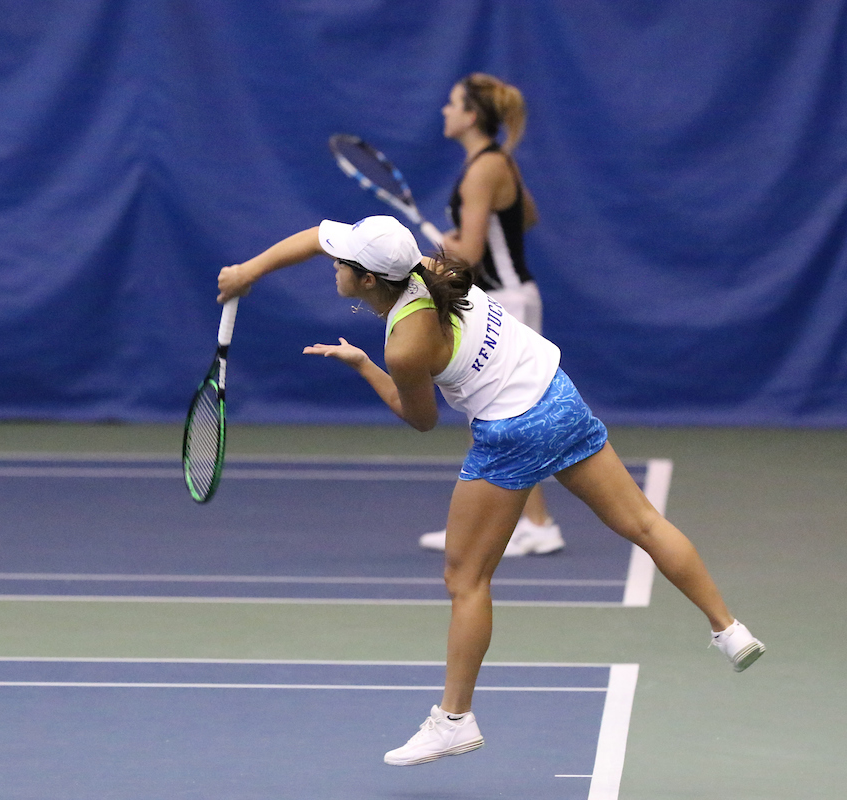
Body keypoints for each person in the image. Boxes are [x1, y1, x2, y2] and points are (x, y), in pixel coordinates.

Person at [216, 214, 765, 767]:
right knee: (644, 523)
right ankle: (729, 629)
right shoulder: (429, 268)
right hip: (558, 394)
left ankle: (454, 720)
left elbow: (421, 419)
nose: (331, 263)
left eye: (342, 263)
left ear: (365, 281)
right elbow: (316, 236)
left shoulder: (405, 346)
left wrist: (364, 366)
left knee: (465, 578)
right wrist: (247, 273)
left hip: (510, 434)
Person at [420, 72, 560, 557]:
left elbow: (470, 253)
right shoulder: (497, 163)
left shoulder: (483, 169)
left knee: (508, 415)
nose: (445, 110)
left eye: (452, 102)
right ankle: (514, 524)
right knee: (504, 415)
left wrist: (436, 247)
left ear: (471, 115)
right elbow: (528, 215)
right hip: (512, 294)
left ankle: (537, 524)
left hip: (506, 301)